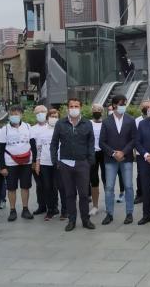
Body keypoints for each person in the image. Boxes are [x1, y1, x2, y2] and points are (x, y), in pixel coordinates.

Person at [50, 98, 96, 231]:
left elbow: (91, 143)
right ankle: (71, 220)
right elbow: (54, 143)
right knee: (69, 194)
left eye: (76, 106)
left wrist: (90, 161)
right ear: (67, 108)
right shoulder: (60, 123)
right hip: (65, 164)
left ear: (80, 107)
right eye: (71, 106)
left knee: (83, 194)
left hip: (82, 163)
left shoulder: (87, 123)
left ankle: (86, 220)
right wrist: (55, 161)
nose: (74, 108)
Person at [99, 94, 137, 225]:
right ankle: (109, 214)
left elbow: (134, 139)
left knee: (128, 186)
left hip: (126, 158)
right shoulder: (106, 121)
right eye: (121, 104)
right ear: (114, 105)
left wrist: (124, 152)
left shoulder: (130, 120)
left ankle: (129, 213)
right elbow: (101, 142)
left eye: (124, 104)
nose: (122, 106)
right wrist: (113, 153)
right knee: (109, 187)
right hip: (110, 159)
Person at [0, 105, 36, 221]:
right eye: (12, 114)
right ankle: (12, 210)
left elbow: (33, 145)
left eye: (17, 114)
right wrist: (3, 167)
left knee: (25, 187)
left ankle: (25, 209)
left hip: (26, 162)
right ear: (9, 116)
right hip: (10, 163)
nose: (15, 116)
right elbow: (1, 149)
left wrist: (34, 161)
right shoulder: (5, 129)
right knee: (11, 188)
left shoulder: (28, 127)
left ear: (21, 115)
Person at [35, 109, 64, 220]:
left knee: (58, 186)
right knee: (47, 187)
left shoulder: (62, 130)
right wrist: (37, 163)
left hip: (58, 162)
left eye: (56, 116)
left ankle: (63, 210)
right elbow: (39, 149)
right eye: (51, 116)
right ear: (47, 118)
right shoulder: (42, 132)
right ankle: (50, 209)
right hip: (44, 162)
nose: (53, 118)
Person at [30, 105, 48, 216]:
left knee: (51, 184)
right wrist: (33, 161)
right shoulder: (32, 129)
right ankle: (41, 205)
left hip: (49, 160)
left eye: (42, 112)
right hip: (36, 160)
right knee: (40, 184)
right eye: (38, 112)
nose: (40, 114)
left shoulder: (52, 126)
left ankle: (53, 205)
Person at [89, 103, 104, 216]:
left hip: (104, 153)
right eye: (95, 109)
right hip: (92, 154)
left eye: (99, 109)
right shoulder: (88, 123)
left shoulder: (106, 123)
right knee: (94, 180)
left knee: (107, 179)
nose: (97, 111)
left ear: (102, 111)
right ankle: (95, 206)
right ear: (92, 111)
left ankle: (109, 204)